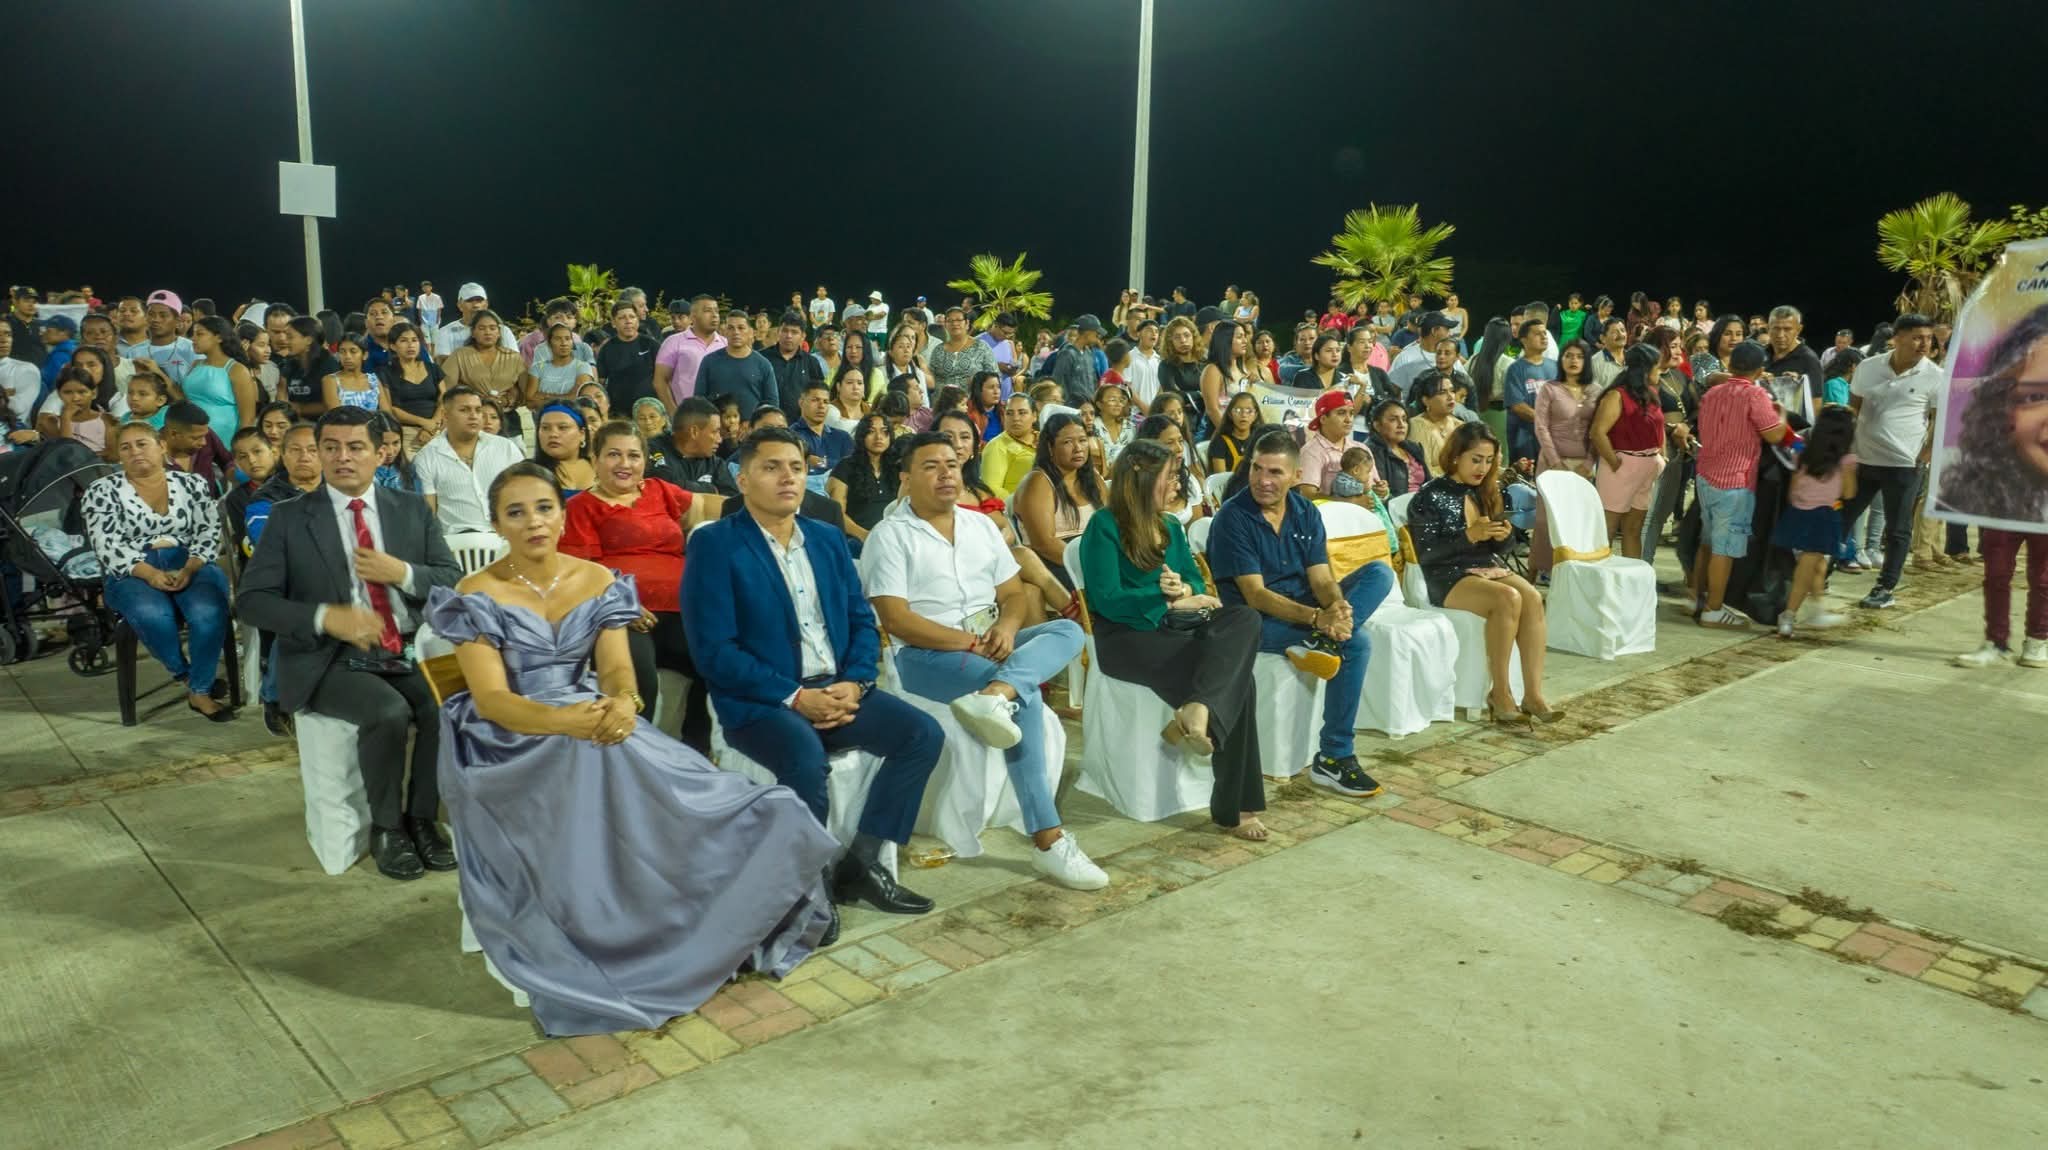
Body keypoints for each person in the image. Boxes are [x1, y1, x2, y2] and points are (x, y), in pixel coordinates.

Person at [428, 460, 834, 1035]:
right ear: (496, 525)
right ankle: (606, 931)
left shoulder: (597, 580)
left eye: (543, 508)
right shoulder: (475, 594)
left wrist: (623, 702)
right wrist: (563, 722)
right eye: (515, 513)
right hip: (511, 736)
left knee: (712, 797)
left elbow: (618, 669)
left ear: (563, 515)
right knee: (592, 764)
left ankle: (700, 925)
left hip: (596, 714)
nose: (533, 522)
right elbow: (492, 700)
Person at [682, 428, 942, 927]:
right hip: (761, 699)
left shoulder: (825, 538)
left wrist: (857, 683)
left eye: (797, 468)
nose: (788, 477)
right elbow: (715, 651)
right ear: (742, 479)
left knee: (921, 735)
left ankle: (861, 864)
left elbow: (861, 620)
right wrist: (796, 696)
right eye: (772, 467)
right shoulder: (716, 545)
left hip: (835, 686)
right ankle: (806, 886)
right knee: (805, 761)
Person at [859, 432, 1105, 886]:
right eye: (931, 466)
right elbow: (896, 620)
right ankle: (1048, 839)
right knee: (1026, 697)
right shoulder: (889, 536)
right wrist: (970, 644)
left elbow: (1012, 595)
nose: (946, 474)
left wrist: (1007, 629)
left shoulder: (979, 527)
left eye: (952, 464)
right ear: (905, 478)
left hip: (988, 641)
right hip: (924, 656)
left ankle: (997, 693)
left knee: (1068, 630)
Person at [235, 406, 463, 878]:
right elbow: (252, 601)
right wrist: (325, 617)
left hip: (405, 644)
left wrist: (402, 572)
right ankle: (388, 828)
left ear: (380, 454)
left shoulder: (410, 509)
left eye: (356, 447)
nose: (343, 457)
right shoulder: (289, 518)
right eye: (332, 447)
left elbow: (450, 578)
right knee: (388, 712)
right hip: (328, 656)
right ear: (319, 453)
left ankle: (422, 818)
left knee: (446, 704)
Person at [1077, 440, 1267, 838]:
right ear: (1142, 480)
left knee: (1245, 617)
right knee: (1241, 682)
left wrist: (1184, 590)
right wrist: (1163, 598)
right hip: (1126, 637)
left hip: (1175, 625)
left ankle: (1198, 707)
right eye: (1169, 477)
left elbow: (1195, 579)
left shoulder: (1170, 526)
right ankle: (1238, 808)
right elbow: (1106, 599)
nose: (1177, 485)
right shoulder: (1104, 526)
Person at [1208, 428, 1394, 792]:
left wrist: (1336, 607)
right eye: (1257, 469)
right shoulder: (1233, 517)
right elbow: (1255, 595)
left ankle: (1323, 642)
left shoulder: (1305, 511)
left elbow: (1321, 578)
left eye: (1274, 472)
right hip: (1254, 620)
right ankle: (1335, 757)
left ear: (1296, 476)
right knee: (1358, 643)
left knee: (1379, 574)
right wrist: (1317, 619)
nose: (1263, 480)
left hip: (1306, 608)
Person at [560, 421, 723, 747]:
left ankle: (695, 752)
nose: (625, 464)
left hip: (684, 609)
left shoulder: (659, 490)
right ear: (594, 459)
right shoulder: (581, 507)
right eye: (613, 455)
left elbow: (706, 506)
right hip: (622, 617)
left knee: (720, 660)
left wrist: (760, 504)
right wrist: (621, 603)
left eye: (634, 456)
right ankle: (636, 758)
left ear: (645, 461)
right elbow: (577, 572)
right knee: (638, 683)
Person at [81, 421, 236, 721]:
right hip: (133, 567)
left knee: (207, 611)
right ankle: (190, 679)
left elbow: (208, 532)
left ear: (162, 446)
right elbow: (107, 545)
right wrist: (150, 574)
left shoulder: (192, 484)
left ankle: (199, 690)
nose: (135, 452)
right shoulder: (101, 490)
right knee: (153, 614)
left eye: (142, 444)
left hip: (190, 560)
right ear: (118, 455)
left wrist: (190, 568)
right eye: (125, 447)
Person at [1407, 422, 1557, 722]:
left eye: (1489, 461)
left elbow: (1502, 548)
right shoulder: (1429, 496)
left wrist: (1505, 536)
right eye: (1476, 460)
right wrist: (1469, 536)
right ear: (1455, 456)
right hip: (1444, 573)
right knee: (1507, 598)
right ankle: (1500, 694)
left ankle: (1533, 694)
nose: (1483, 468)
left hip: (1485, 565)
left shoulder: (1489, 490)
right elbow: (1426, 553)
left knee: (1532, 598)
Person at [1943, 307, 2048, 667]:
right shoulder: (1999, 392)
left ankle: (2038, 640)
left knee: (2043, 577)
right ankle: (1995, 641)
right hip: (2004, 498)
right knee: (1997, 572)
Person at [1837, 314, 1943, 610]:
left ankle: (1885, 588)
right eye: (1917, 337)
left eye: (1928, 338)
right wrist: (1844, 450)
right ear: (1897, 338)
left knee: (1898, 529)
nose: (1924, 344)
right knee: (1840, 518)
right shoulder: (1869, 367)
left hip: (1903, 464)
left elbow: (1940, 421)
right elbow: (1853, 408)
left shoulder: (1935, 375)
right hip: (1863, 459)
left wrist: (1923, 457)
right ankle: (1821, 572)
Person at [1691, 341, 1794, 628]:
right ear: (1760, 370)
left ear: (1731, 365)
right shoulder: (1755, 394)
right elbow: (1774, 435)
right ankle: (1713, 610)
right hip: (1734, 483)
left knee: (1707, 542)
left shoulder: (1712, 393)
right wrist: (1782, 414)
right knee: (1724, 549)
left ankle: (1697, 597)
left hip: (1706, 475)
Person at [1771, 406, 1857, 637]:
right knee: (1807, 569)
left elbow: (1793, 491)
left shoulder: (1802, 453)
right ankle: (1788, 616)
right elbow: (1848, 493)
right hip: (1823, 517)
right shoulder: (1846, 460)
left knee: (1817, 566)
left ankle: (1818, 610)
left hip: (1797, 514)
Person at [1589, 344, 1670, 558]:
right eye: (1657, 367)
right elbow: (1597, 432)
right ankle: (1600, 575)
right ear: (1645, 369)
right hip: (1622, 465)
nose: (1661, 371)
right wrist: (1615, 463)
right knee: (1607, 529)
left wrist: (1661, 456)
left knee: (1634, 528)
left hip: (1647, 465)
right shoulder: (1616, 395)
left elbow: (1659, 425)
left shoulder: (1651, 393)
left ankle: (1632, 576)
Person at [413, 385, 527, 537]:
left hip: (507, 539)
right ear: (445, 415)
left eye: (478, 410)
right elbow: (428, 516)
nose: (474, 416)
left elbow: (525, 497)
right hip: (457, 543)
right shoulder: (426, 457)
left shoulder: (506, 448)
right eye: (464, 410)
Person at [650, 396, 741, 497]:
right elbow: (660, 484)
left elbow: (732, 501)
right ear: (694, 432)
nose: (719, 439)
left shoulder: (716, 465)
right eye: (715, 432)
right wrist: (711, 490)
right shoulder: (651, 449)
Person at [696, 308, 778, 417]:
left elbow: (772, 404)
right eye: (731, 328)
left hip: (752, 427)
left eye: (741, 328)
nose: (736, 332)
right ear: (725, 332)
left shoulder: (763, 364)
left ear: (750, 332)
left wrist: (755, 423)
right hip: (717, 426)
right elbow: (699, 400)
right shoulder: (709, 361)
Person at [653, 295, 726, 411]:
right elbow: (660, 381)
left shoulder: (725, 344)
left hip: (720, 415)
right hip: (686, 414)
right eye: (707, 311)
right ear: (693, 316)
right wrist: (673, 412)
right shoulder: (673, 342)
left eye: (716, 311)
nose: (714, 315)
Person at [1502, 319, 1555, 469]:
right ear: (1524, 340)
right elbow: (1517, 406)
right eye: (1538, 334)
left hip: (1551, 438)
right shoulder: (1515, 369)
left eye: (1545, 333)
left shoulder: (1555, 366)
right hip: (1525, 438)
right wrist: (1545, 420)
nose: (1544, 337)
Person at [981, 392, 1040, 501]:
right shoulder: (997, 446)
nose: (1015, 418)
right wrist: (1022, 505)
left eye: (1022, 413)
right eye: (1009, 413)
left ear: (1034, 416)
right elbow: (991, 488)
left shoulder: (1046, 440)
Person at [1364, 399, 1427, 498]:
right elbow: (1380, 493)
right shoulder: (1371, 451)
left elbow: (1429, 482)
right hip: (1396, 505)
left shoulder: (1413, 448)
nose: (1401, 425)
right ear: (1377, 426)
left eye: (1404, 419)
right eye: (1393, 419)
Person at [532, 403, 594, 497]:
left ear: (582, 434)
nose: (553, 434)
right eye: (545, 428)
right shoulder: (528, 472)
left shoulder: (600, 467)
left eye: (562, 427)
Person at [1049, 315, 1104, 405]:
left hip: (1088, 406)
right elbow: (1058, 381)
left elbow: (1093, 381)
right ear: (1087, 333)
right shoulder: (1067, 354)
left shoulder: (1089, 353)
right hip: (1072, 408)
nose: (1098, 336)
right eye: (1096, 333)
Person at [1206, 391, 1264, 475]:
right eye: (1238, 410)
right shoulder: (1219, 441)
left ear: (1255, 415)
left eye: (1249, 411)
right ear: (1230, 414)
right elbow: (1220, 478)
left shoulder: (1260, 440)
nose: (1243, 415)